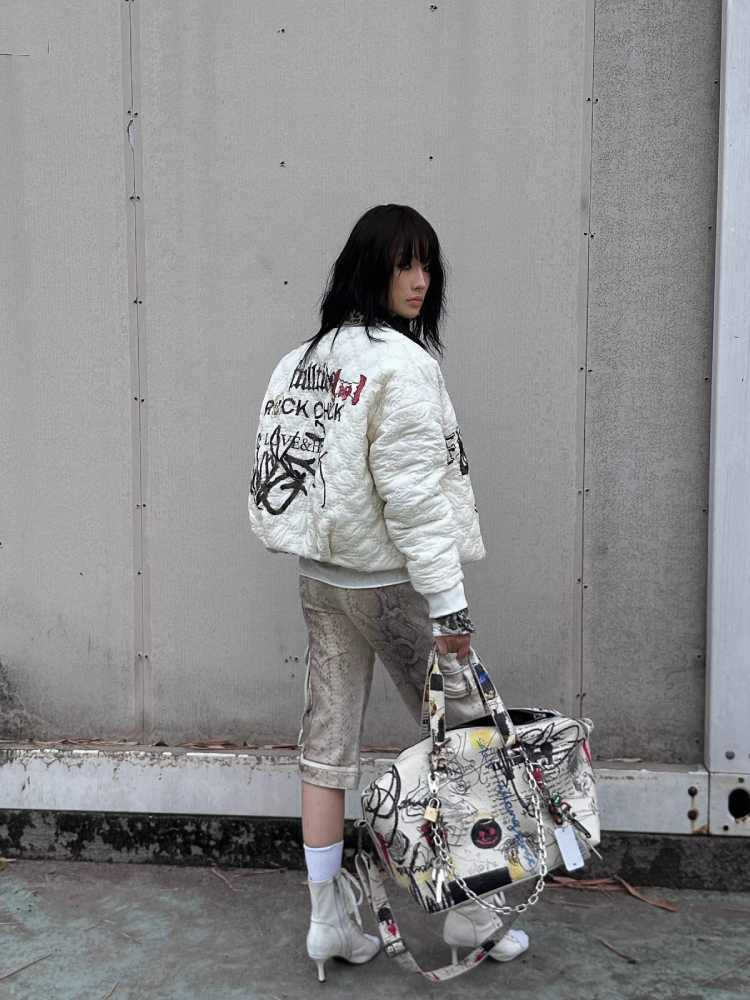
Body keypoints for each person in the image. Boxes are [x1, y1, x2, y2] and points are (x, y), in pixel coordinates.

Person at [248, 204, 528, 981]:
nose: (420, 280)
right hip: (392, 588)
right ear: (370, 269)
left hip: (323, 581)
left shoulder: (302, 361)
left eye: (427, 264)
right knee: (467, 738)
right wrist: (451, 609)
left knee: (326, 747)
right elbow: (414, 504)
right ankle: (474, 911)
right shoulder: (403, 366)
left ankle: (326, 922)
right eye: (404, 264)